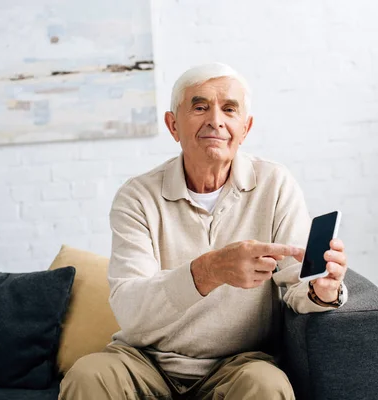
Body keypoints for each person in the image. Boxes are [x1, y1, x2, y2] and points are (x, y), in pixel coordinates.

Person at [59, 63, 348, 400]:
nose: (215, 120)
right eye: (199, 107)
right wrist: (208, 271)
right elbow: (129, 309)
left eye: (229, 109)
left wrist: (322, 291)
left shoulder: (275, 184)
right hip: (145, 362)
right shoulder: (136, 197)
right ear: (173, 125)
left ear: (245, 128)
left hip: (238, 364)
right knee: (88, 375)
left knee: (267, 386)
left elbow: (298, 282)